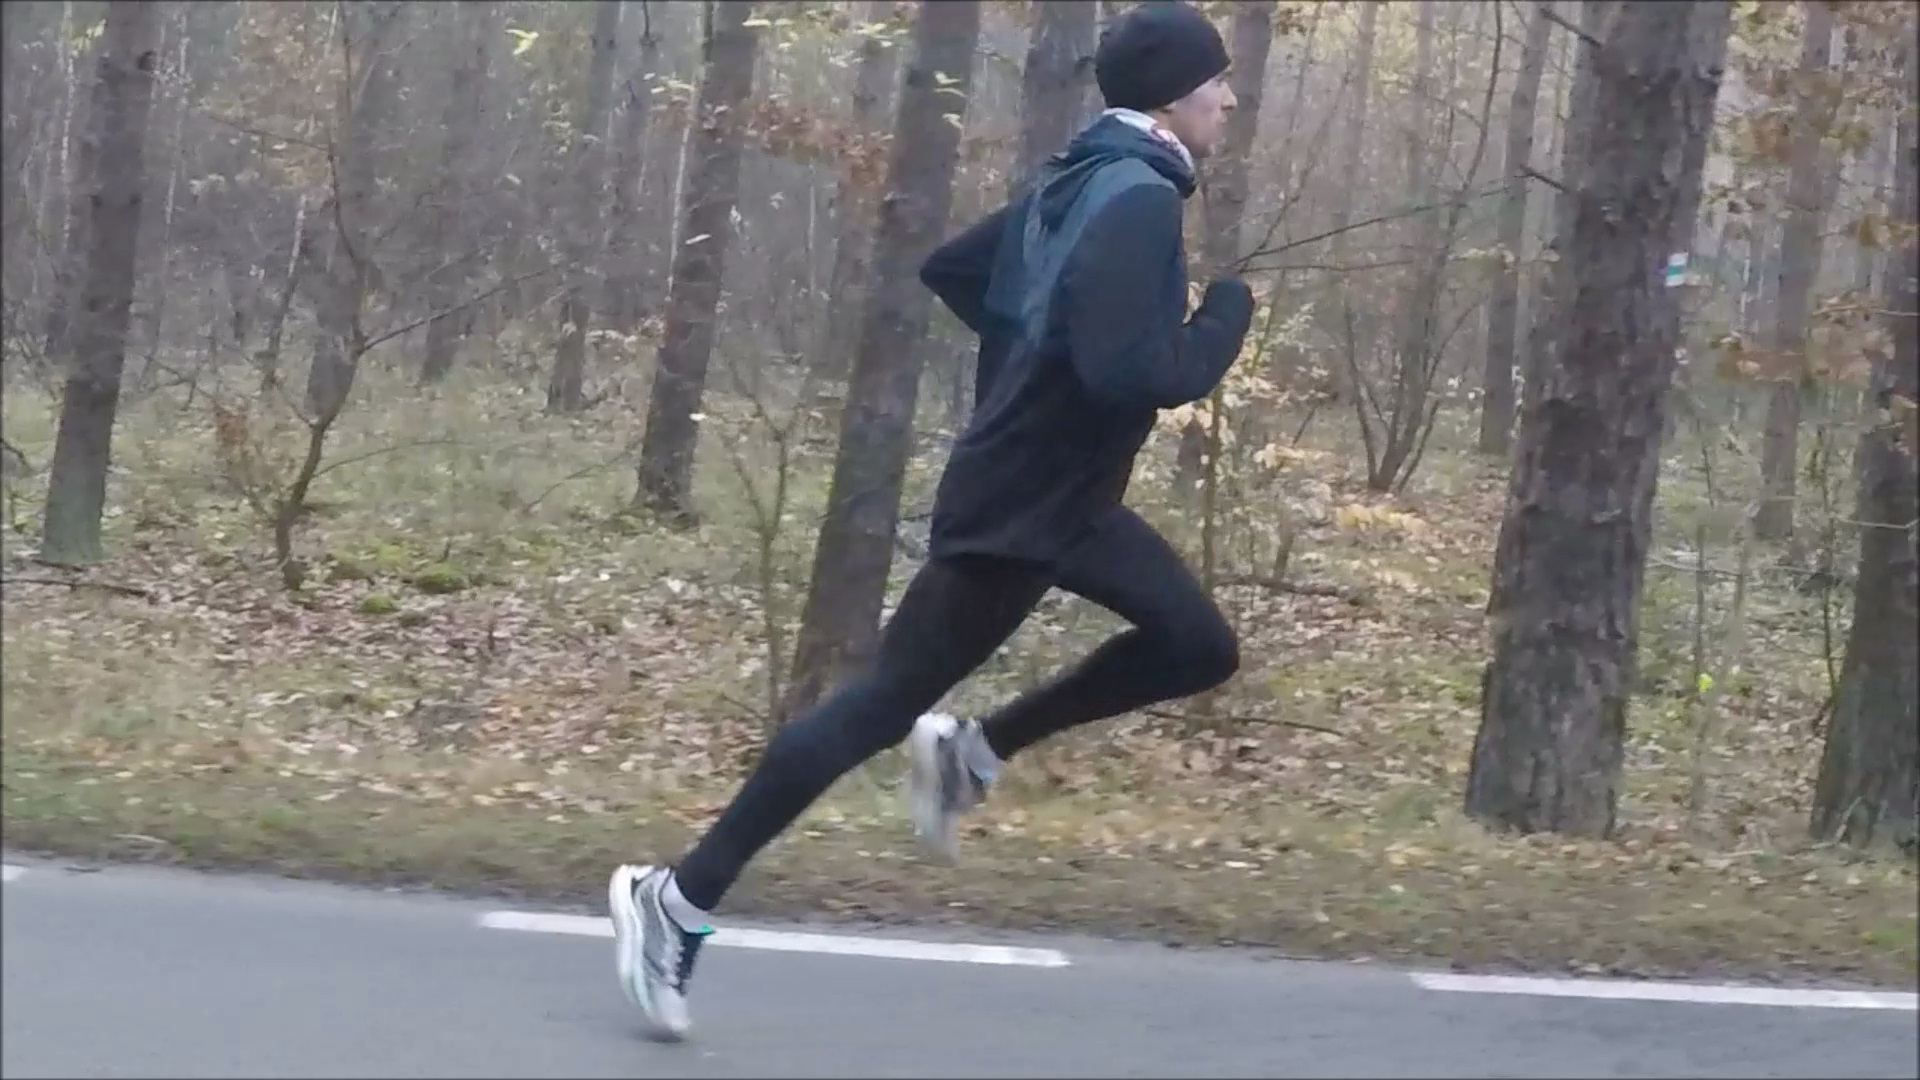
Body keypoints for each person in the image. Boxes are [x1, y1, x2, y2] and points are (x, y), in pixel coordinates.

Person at [607, 0, 1253, 1041]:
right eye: (1218, 80)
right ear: (1175, 95)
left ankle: (968, 754)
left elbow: (957, 269)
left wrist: (1031, 363)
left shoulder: (1079, 178)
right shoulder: (1133, 197)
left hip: (1067, 498)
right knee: (876, 704)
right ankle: (675, 898)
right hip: (1019, 505)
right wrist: (1224, 317)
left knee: (1197, 645)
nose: (1230, 97)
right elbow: (1139, 372)